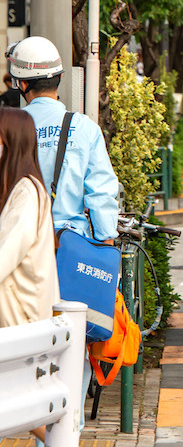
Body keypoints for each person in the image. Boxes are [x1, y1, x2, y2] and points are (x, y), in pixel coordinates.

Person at [9, 36, 120, 439]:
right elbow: (103, 193)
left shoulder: (12, 126)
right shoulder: (84, 128)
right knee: (72, 346)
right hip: (70, 254)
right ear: (59, 78)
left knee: (25, 347)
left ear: (21, 84)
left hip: (21, 258)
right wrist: (106, 244)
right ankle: (66, 429)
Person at [0, 108, 59, 443]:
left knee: (29, 410)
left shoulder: (26, 192)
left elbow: (5, 254)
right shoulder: (22, 188)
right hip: (19, 319)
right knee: (26, 408)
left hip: (20, 320)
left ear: (10, 142)